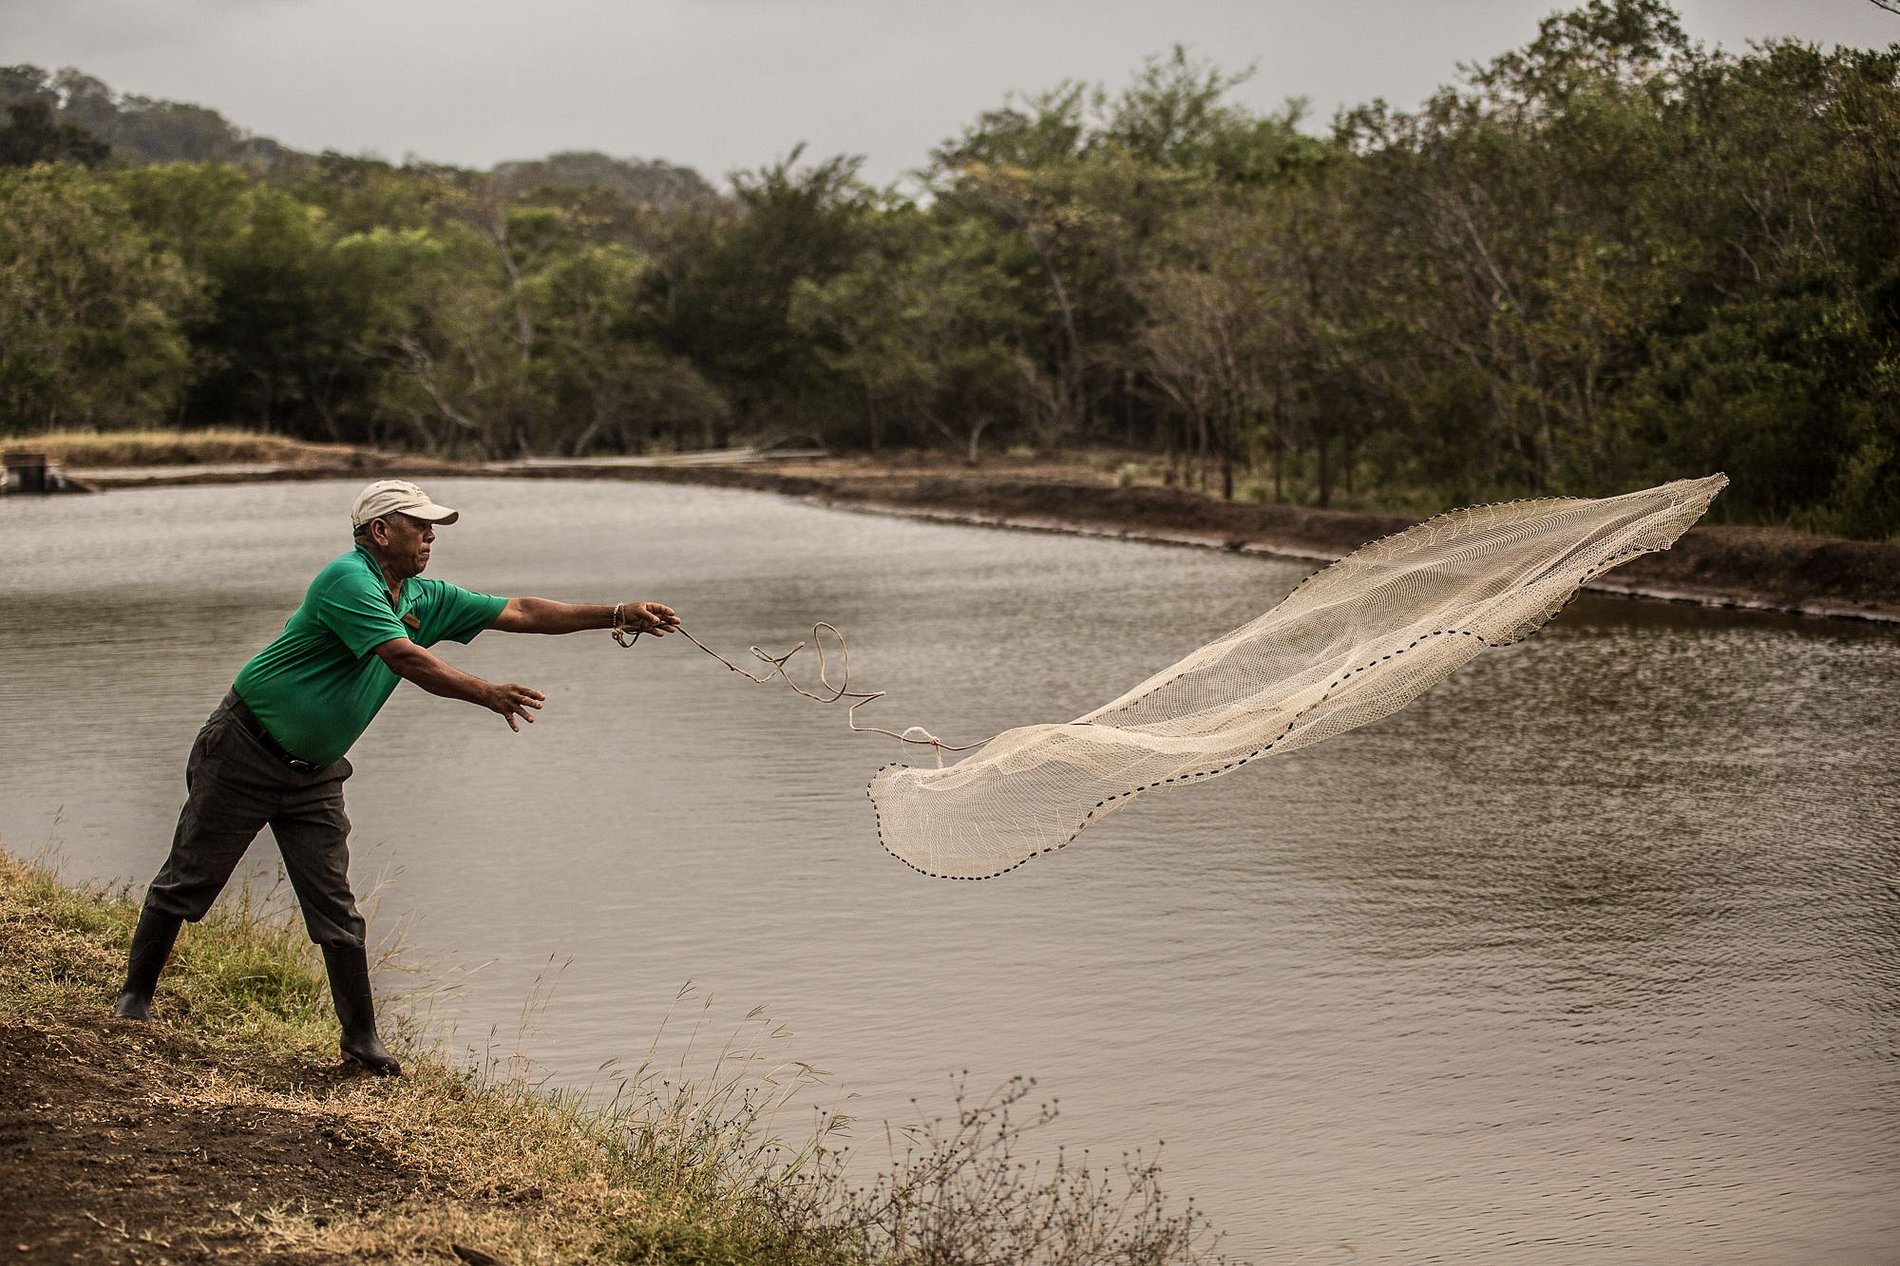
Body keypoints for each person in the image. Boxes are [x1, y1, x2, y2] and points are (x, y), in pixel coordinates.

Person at [111, 478, 679, 1076]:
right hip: (242, 752)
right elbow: (403, 656)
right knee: (190, 879)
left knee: (336, 909)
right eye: (420, 525)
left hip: (314, 776)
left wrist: (616, 614)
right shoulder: (347, 580)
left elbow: (520, 611)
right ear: (380, 531)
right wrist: (486, 693)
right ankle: (133, 1001)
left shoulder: (424, 595)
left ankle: (361, 1041)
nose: (431, 535)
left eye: (433, 526)